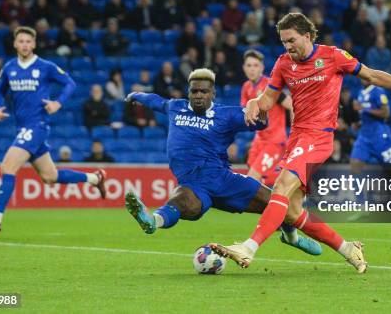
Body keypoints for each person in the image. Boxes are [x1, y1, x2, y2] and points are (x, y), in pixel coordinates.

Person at [210, 12, 391, 273]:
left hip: (319, 137)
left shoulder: (333, 56)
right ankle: (348, 248)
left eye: (291, 40)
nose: (287, 46)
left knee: (280, 187)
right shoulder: (282, 64)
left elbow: (370, 76)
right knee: (291, 212)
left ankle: (248, 247)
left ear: (306, 35)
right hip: (297, 139)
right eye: (283, 42)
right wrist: (255, 103)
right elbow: (268, 100)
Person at [123, 68, 321, 257]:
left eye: (204, 91)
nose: (198, 95)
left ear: (213, 94)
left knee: (278, 204)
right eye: (194, 91)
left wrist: (262, 113)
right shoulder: (176, 107)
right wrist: (136, 95)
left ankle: (291, 238)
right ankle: (152, 221)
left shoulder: (226, 115)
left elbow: (259, 122)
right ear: (189, 92)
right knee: (181, 202)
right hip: (193, 184)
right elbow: (156, 101)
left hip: (224, 181)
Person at [0, 26, 106, 234]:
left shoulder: (45, 67)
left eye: (28, 41)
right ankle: (94, 178)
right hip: (23, 127)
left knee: (7, 166)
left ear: (33, 44)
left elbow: (70, 84)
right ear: (15, 44)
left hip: (37, 126)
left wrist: (58, 103)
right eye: (21, 41)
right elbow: (0, 90)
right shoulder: (9, 68)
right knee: (50, 176)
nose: (24, 44)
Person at [240, 50, 292, 187]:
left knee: (252, 178)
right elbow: (245, 111)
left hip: (274, 141)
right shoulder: (246, 87)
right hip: (259, 140)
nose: (252, 69)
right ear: (244, 68)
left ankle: (294, 185)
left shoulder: (270, 86)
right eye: (249, 65)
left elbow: (292, 105)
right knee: (256, 178)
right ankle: (288, 185)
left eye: (255, 65)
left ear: (262, 67)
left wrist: (295, 132)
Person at [350, 79, 391, 173]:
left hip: (379, 135)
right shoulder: (360, 92)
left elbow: (386, 113)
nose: (363, 78)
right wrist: (359, 124)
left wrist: (364, 108)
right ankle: (356, 187)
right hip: (364, 135)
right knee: (355, 164)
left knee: (390, 170)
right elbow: (365, 115)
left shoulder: (378, 91)